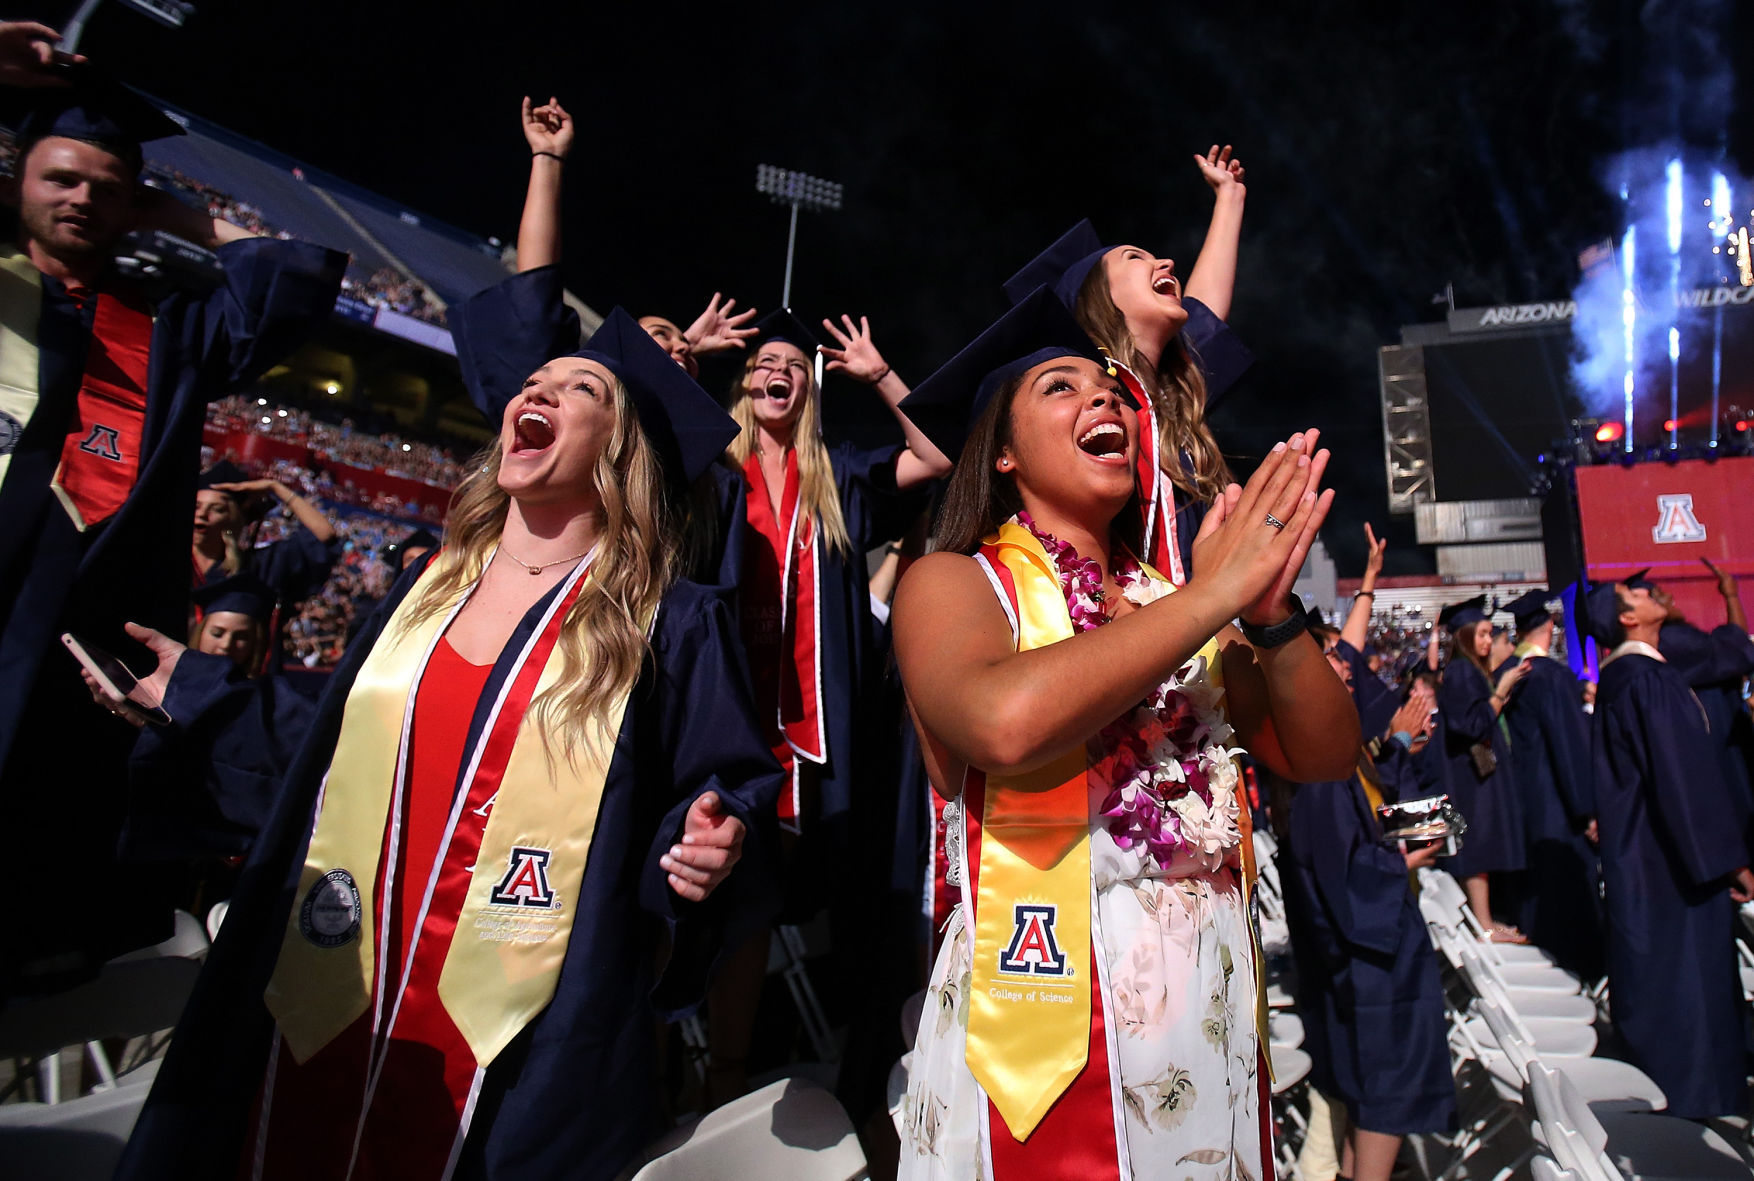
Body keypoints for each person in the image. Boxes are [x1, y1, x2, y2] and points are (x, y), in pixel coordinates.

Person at [106, 308, 784, 1179]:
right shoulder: (422, 592)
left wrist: (710, 835)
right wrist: (195, 698)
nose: (539, 387)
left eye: (581, 387)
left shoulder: (673, 623)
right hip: (332, 987)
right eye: (536, 380)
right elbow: (324, 750)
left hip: (525, 1027)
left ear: (621, 453)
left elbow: (724, 786)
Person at [890, 288, 1356, 1178]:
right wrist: (1211, 596)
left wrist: (1267, 612)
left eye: (1112, 391)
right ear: (1003, 456)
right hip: (1050, 995)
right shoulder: (954, 583)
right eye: (1060, 389)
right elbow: (1004, 721)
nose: (1104, 400)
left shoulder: (1163, 599)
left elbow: (1324, 754)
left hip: (1203, 999)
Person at [0, 51, 347, 994]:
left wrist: (168, 213)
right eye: (60, 178)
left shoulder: (165, 329)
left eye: (106, 189)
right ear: (15, 175)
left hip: (79, 660)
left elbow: (280, 283)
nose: (81, 200)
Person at [1000, 146, 1254, 584]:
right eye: (1135, 258)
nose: (1166, 262)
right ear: (1099, 298)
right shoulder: (1095, 406)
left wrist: (1230, 198)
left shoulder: (1170, 397)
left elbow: (1206, 313)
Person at [1579, 578, 1753, 1120]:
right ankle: (1697, 1112)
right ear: (1628, 619)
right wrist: (1729, 861)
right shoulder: (1646, 680)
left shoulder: (1625, 678)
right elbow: (1684, 783)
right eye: (1638, 593)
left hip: (1643, 862)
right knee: (1690, 991)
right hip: (1673, 871)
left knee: (1660, 983)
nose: (1652, 593)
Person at [1283, 649, 1453, 1181]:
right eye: (1332, 670)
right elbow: (1347, 877)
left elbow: (1373, 824)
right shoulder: (1324, 774)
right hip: (1374, 965)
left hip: (1380, 953)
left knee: (1368, 1101)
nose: (1347, 676)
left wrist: (1400, 747)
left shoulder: (1345, 756)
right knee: (1384, 1093)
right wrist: (1401, 857)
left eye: (1346, 671)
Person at [1495, 589, 1602, 978]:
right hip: (1556, 801)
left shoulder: (1504, 675)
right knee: (1566, 892)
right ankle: (1579, 970)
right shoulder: (1552, 677)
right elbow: (1568, 746)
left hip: (1519, 799)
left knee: (1533, 890)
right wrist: (1587, 808)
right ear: (1551, 627)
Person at [1432, 596, 1530, 941]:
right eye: (1484, 634)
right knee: (1478, 846)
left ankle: (1486, 921)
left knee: (1484, 846)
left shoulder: (1470, 670)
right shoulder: (1460, 671)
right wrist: (1501, 691)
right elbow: (1469, 724)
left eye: (1491, 634)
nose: (1489, 641)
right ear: (1466, 635)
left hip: (1478, 771)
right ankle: (1484, 924)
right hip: (1471, 775)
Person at [1635, 564, 1754, 847]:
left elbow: (1734, 645)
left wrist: (1731, 597)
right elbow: (1738, 649)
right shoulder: (1673, 641)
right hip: (1716, 745)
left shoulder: (1673, 640)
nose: (1669, 599)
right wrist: (1732, 598)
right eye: (1659, 595)